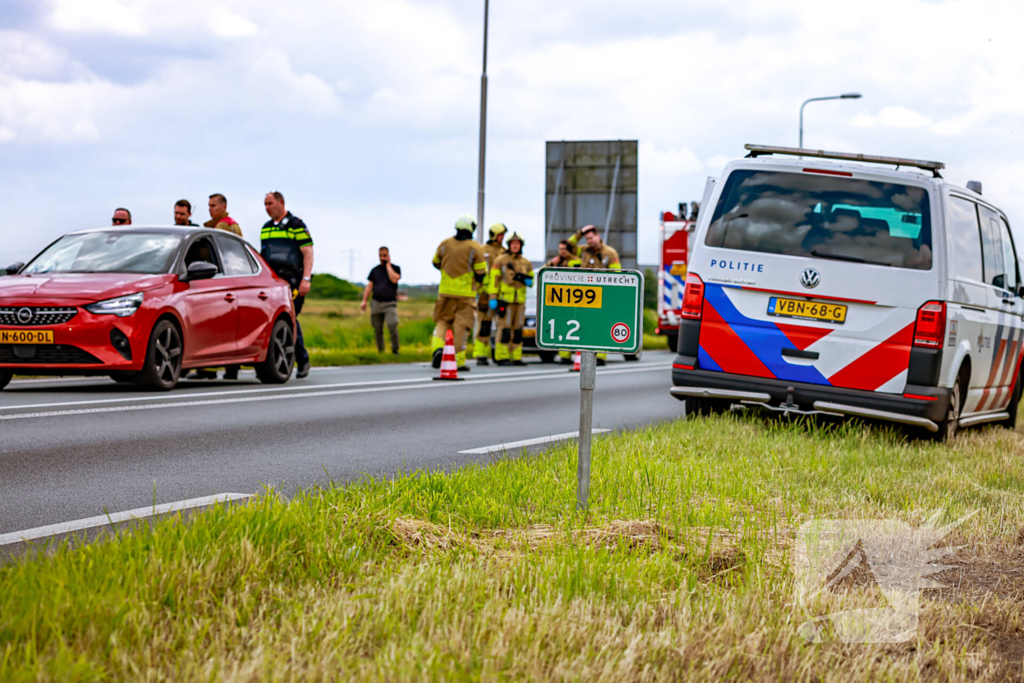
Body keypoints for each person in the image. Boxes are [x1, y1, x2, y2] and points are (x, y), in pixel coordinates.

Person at [260, 191, 313, 378]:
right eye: (265, 204)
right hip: (272, 282)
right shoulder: (266, 228)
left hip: (293, 282)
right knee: (279, 320)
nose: (267, 208)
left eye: (270, 203)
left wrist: (306, 279)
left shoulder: (296, 225)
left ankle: (302, 360)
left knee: (290, 318)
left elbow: (308, 252)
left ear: (281, 203)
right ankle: (284, 359)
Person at [431, 214, 488, 371]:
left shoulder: (445, 244)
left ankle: (437, 349)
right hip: (465, 296)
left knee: (442, 322)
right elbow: (481, 273)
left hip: (445, 293)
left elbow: (436, 262)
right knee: (462, 327)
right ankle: (458, 360)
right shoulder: (476, 247)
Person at [567, 225, 621, 365]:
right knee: (584, 325)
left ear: (598, 236)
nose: (589, 241)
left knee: (601, 325)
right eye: (587, 239)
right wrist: (580, 232)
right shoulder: (583, 251)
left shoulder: (610, 253)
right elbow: (568, 246)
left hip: (603, 296)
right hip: (584, 297)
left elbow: (617, 275)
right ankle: (584, 356)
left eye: (591, 237)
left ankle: (601, 357)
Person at [488, 232, 534, 366]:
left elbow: (531, 280)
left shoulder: (526, 263)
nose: (515, 246)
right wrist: (493, 297)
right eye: (513, 244)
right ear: (509, 245)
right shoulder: (500, 261)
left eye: (517, 244)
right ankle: (502, 356)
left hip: (520, 301)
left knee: (518, 330)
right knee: (505, 329)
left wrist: (528, 281)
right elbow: (494, 280)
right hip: (505, 301)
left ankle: (516, 356)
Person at [473, 222, 507, 365]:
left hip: (501, 294)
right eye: (500, 235)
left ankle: (499, 354)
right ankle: (481, 354)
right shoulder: (482, 250)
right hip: (485, 294)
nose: (502, 238)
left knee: (502, 326)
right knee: (484, 325)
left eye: (503, 235)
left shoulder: (505, 251)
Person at [360, 246, 401, 355]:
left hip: (390, 304)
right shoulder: (375, 270)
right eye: (380, 256)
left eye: (384, 256)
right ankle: (381, 351)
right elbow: (369, 286)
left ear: (388, 255)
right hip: (376, 302)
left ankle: (395, 350)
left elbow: (394, 279)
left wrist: (388, 265)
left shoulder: (395, 268)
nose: (382, 258)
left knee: (392, 325)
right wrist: (364, 300)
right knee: (377, 328)